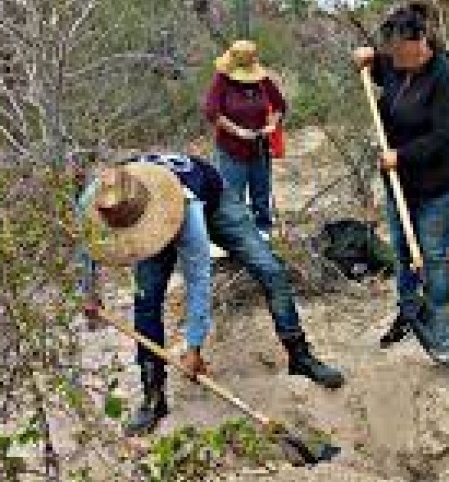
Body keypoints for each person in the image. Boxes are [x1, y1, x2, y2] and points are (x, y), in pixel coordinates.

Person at [79, 152, 344, 436]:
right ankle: (153, 396)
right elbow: (86, 243)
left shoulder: (188, 208)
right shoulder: (99, 199)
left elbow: (198, 280)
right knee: (146, 300)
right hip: (143, 218)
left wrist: (193, 347)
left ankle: (300, 356)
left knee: (270, 271)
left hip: (214, 203)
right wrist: (89, 291)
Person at [353, 2, 449, 368]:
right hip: (399, 183)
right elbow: (376, 67)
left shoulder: (447, 80)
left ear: (420, 43)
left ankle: (440, 327)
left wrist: (401, 156)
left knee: (431, 254)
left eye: (400, 52)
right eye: (391, 52)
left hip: (438, 184)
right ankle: (407, 313)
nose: (394, 60)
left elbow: (447, 138)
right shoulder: (395, 65)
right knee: (403, 251)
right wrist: (367, 55)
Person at [204, 40, 284, 233]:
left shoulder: (262, 81)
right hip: (231, 149)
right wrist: (237, 131)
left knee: (261, 193)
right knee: (232, 196)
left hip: (259, 146)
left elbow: (280, 105)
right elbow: (211, 112)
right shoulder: (222, 79)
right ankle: (234, 236)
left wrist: (271, 125)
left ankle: (263, 231)